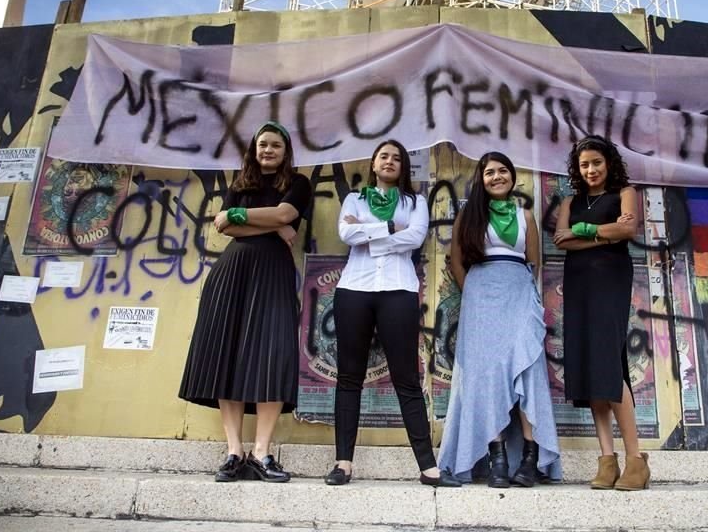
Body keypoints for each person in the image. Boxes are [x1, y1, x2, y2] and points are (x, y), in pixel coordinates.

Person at [179, 121, 313, 483]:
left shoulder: (298, 184)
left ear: (286, 152)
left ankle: (262, 452)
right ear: (254, 149)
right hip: (232, 272)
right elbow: (226, 228)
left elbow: (286, 215)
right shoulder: (241, 184)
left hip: (273, 273)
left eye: (275, 146)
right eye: (262, 145)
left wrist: (240, 215)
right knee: (229, 355)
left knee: (273, 354)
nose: (268, 150)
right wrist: (269, 224)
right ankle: (234, 451)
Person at [325, 139, 460, 488]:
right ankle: (343, 463)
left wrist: (366, 233)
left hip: (398, 291)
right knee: (349, 377)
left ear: (403, 167)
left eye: (396, 157)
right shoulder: (355, 199)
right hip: (354, 289)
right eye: (383, 156)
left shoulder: (414, 202)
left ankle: (429, 468)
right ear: (373, 163)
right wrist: (388, 228)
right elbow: (345, 233)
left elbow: (415, 238)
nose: (389, 161)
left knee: (406, 377)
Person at [438, 151, 561, 488]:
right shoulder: (469, 214)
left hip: (519, 293)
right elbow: (457, 261)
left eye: (503, 171)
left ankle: (530, 458)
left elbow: (534, 263)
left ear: (512, 177)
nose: (496, 177)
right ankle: (497, 459)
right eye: (489, 172)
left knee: (528, 369)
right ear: (482, 178)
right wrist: (473, 292)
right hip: (481, 298)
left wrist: (528, 299)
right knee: (485, 376)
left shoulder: (525, 216)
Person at [552, 135, 649, 490]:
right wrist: (605, 235)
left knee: (608, 363)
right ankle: (607, 461)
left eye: (596, 162)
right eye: (584, 165)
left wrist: (590, 231)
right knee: (589, 364)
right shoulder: (570, 201)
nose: (590, 169)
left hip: (610, 281)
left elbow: (628, 228)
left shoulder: (625, 192)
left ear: (608, 163)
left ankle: (635, 461)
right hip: (578, 284)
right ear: (577, 170)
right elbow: (561, 239)